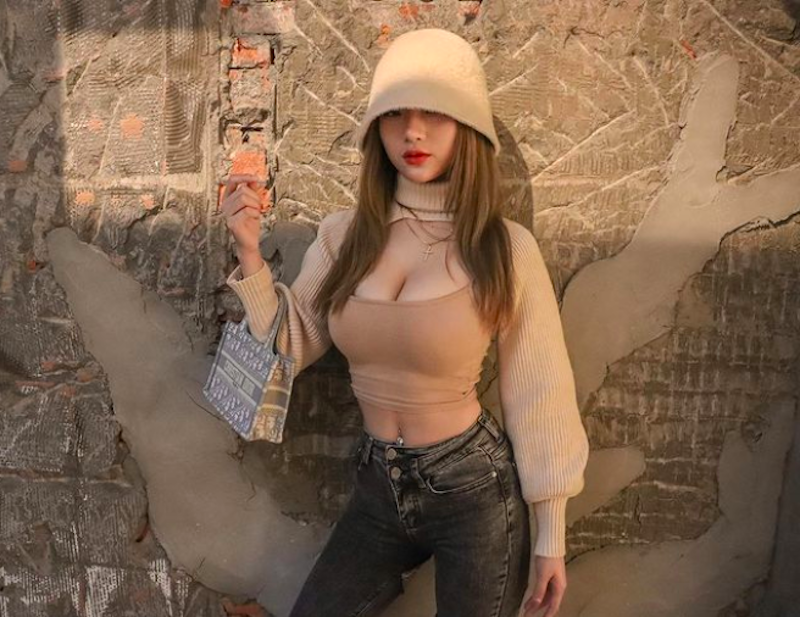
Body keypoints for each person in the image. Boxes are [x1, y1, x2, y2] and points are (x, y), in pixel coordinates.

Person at [220, 28, 589, 617]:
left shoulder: (503, 247)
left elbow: (539, 391)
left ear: (467, 127)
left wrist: (551, 536)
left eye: (434, 114)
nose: (413, 132)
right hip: (378, 484)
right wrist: (248, 254)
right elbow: (289, 344)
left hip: (474, 487)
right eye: (395, 115)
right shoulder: (345, 235)